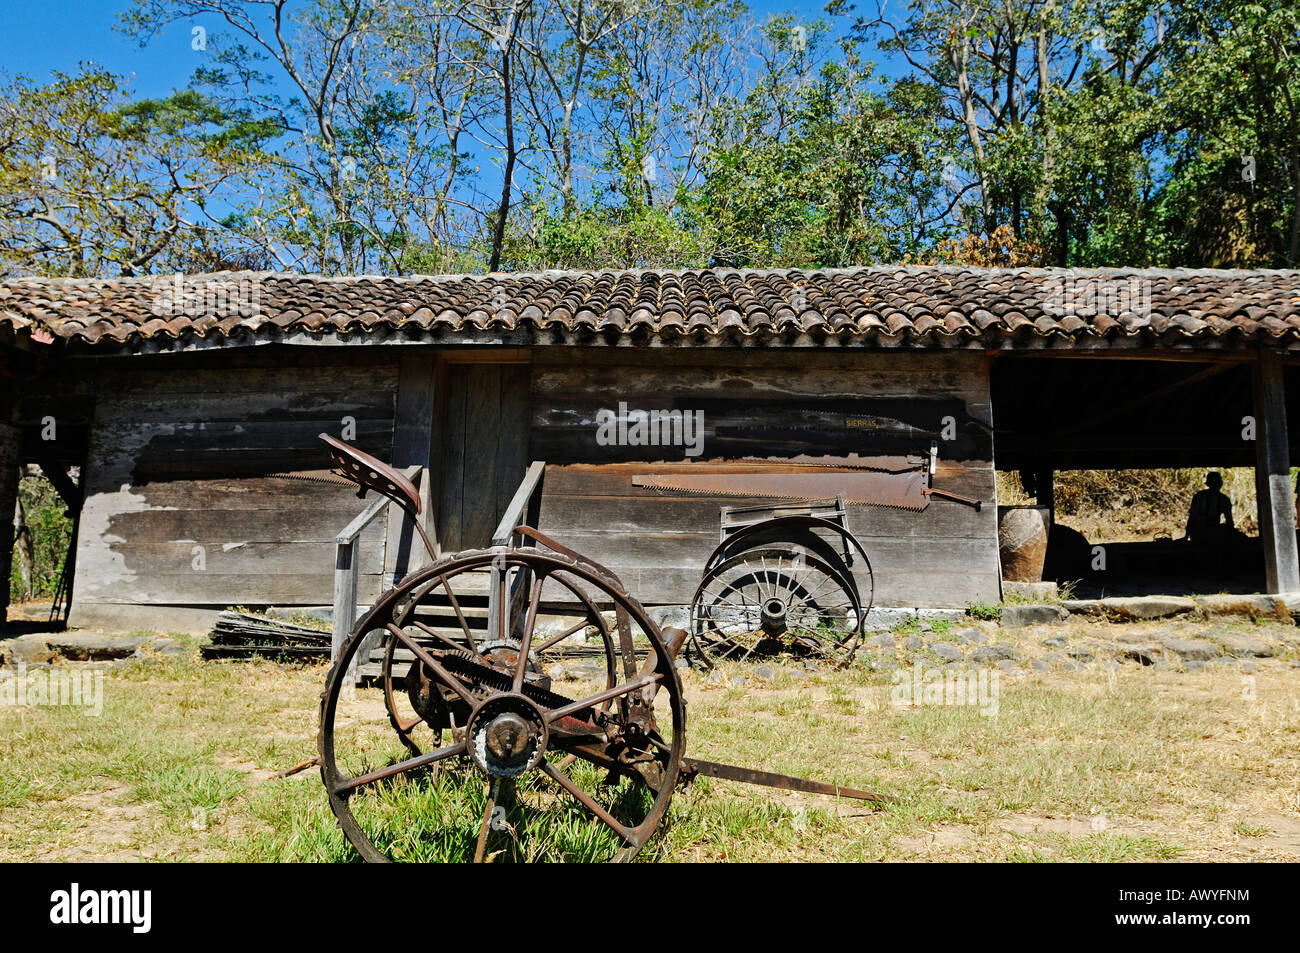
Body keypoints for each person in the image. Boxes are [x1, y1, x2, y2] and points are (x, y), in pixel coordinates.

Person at [1185, 472, 1233, 545]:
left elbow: (1229, 521)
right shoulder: (1199, 497)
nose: (1215, 485)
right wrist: (1186, 536)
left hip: (1211, 532)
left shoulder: (1224, 500)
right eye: (1213, 483)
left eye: (1216, 483)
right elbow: (1192, 517)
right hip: (1199, 533)